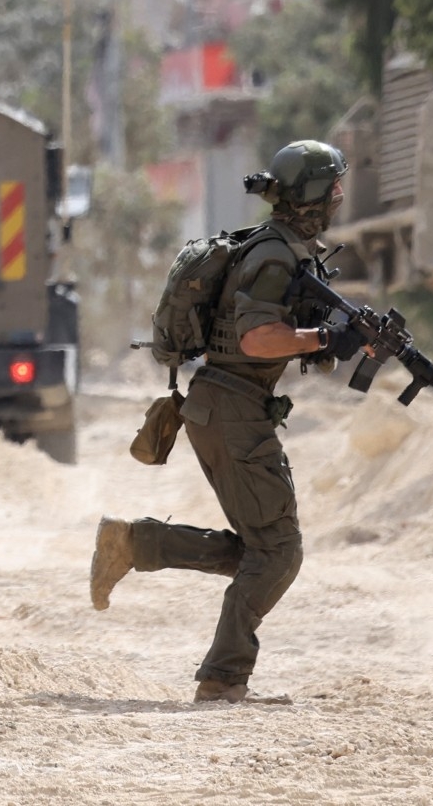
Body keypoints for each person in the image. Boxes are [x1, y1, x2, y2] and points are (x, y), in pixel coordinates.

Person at [89, 140, 358, 703]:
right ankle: (223, 678)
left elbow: (262, 336)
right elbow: (258, 337)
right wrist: (327, 337)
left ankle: (134, 543)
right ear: (314, 194)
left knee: (259, 551)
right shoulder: (275, 255)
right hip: (233, 409)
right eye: (333, 186)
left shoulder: (280, 248)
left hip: (225, 404)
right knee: (279, 551)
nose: (339, 195)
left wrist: (337, 342)